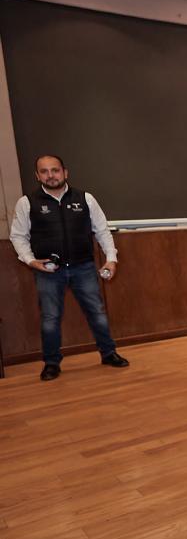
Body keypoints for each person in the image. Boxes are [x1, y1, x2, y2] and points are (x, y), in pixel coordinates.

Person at [9, 154, 129, 381]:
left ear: (65, 172)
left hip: (83, 267)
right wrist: (31, 261)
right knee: (50, 318)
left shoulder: (86, 199)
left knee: (97, 313)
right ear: (37, 176)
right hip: (48, 271)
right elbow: (18, 236)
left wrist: (111, 258)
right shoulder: (27, 203)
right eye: (44, 171)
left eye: (55, 170)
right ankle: (51, 363)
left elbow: (102, 230)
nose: (50, 175)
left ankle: (109, 353)